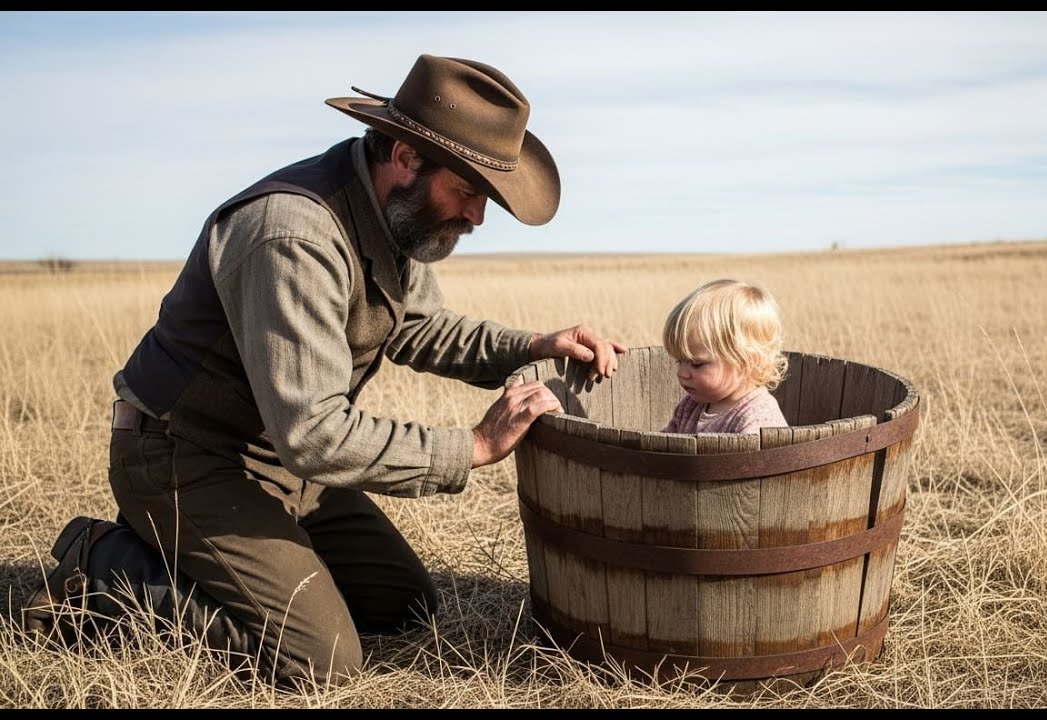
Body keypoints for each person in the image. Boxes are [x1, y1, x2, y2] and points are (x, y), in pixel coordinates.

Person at [21, 53, 625, 689]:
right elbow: (314, 432)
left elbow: (420, 327)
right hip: (184, 455)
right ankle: (99, 570)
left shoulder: (392, 213)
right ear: (408, 157)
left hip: (281, 460)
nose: (477, 217)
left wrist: (535, 344)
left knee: (401, 603)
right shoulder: (293, 236)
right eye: (470, 191)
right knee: (320, 660)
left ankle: (215, 559)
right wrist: (472, 446)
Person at [660, 279, 789, 434]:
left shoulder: (758, 417)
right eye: (679, 361)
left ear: (747, 361)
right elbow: (663, 447)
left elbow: (757, 458)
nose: (682, 373)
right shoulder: (690, 406)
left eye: (696, 364)